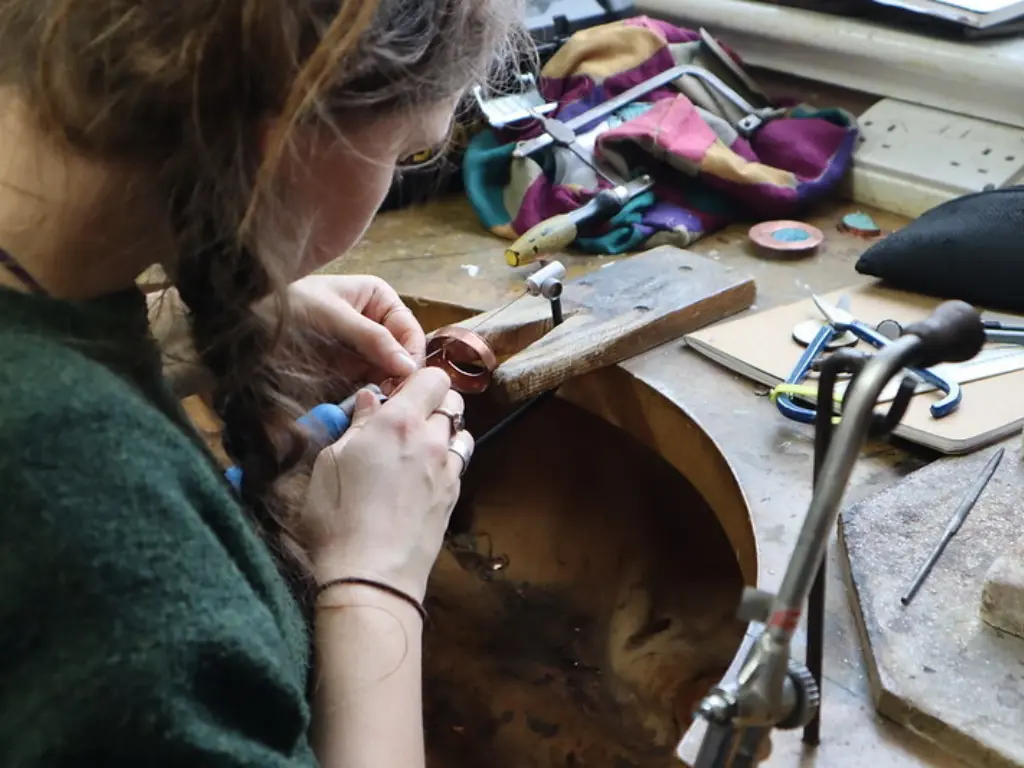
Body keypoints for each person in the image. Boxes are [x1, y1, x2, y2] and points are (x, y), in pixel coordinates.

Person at [0, 1, 523, 765]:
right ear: (280, 141)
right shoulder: (92, 530)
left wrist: (180, 326)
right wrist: (375, 579)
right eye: (407, 155)